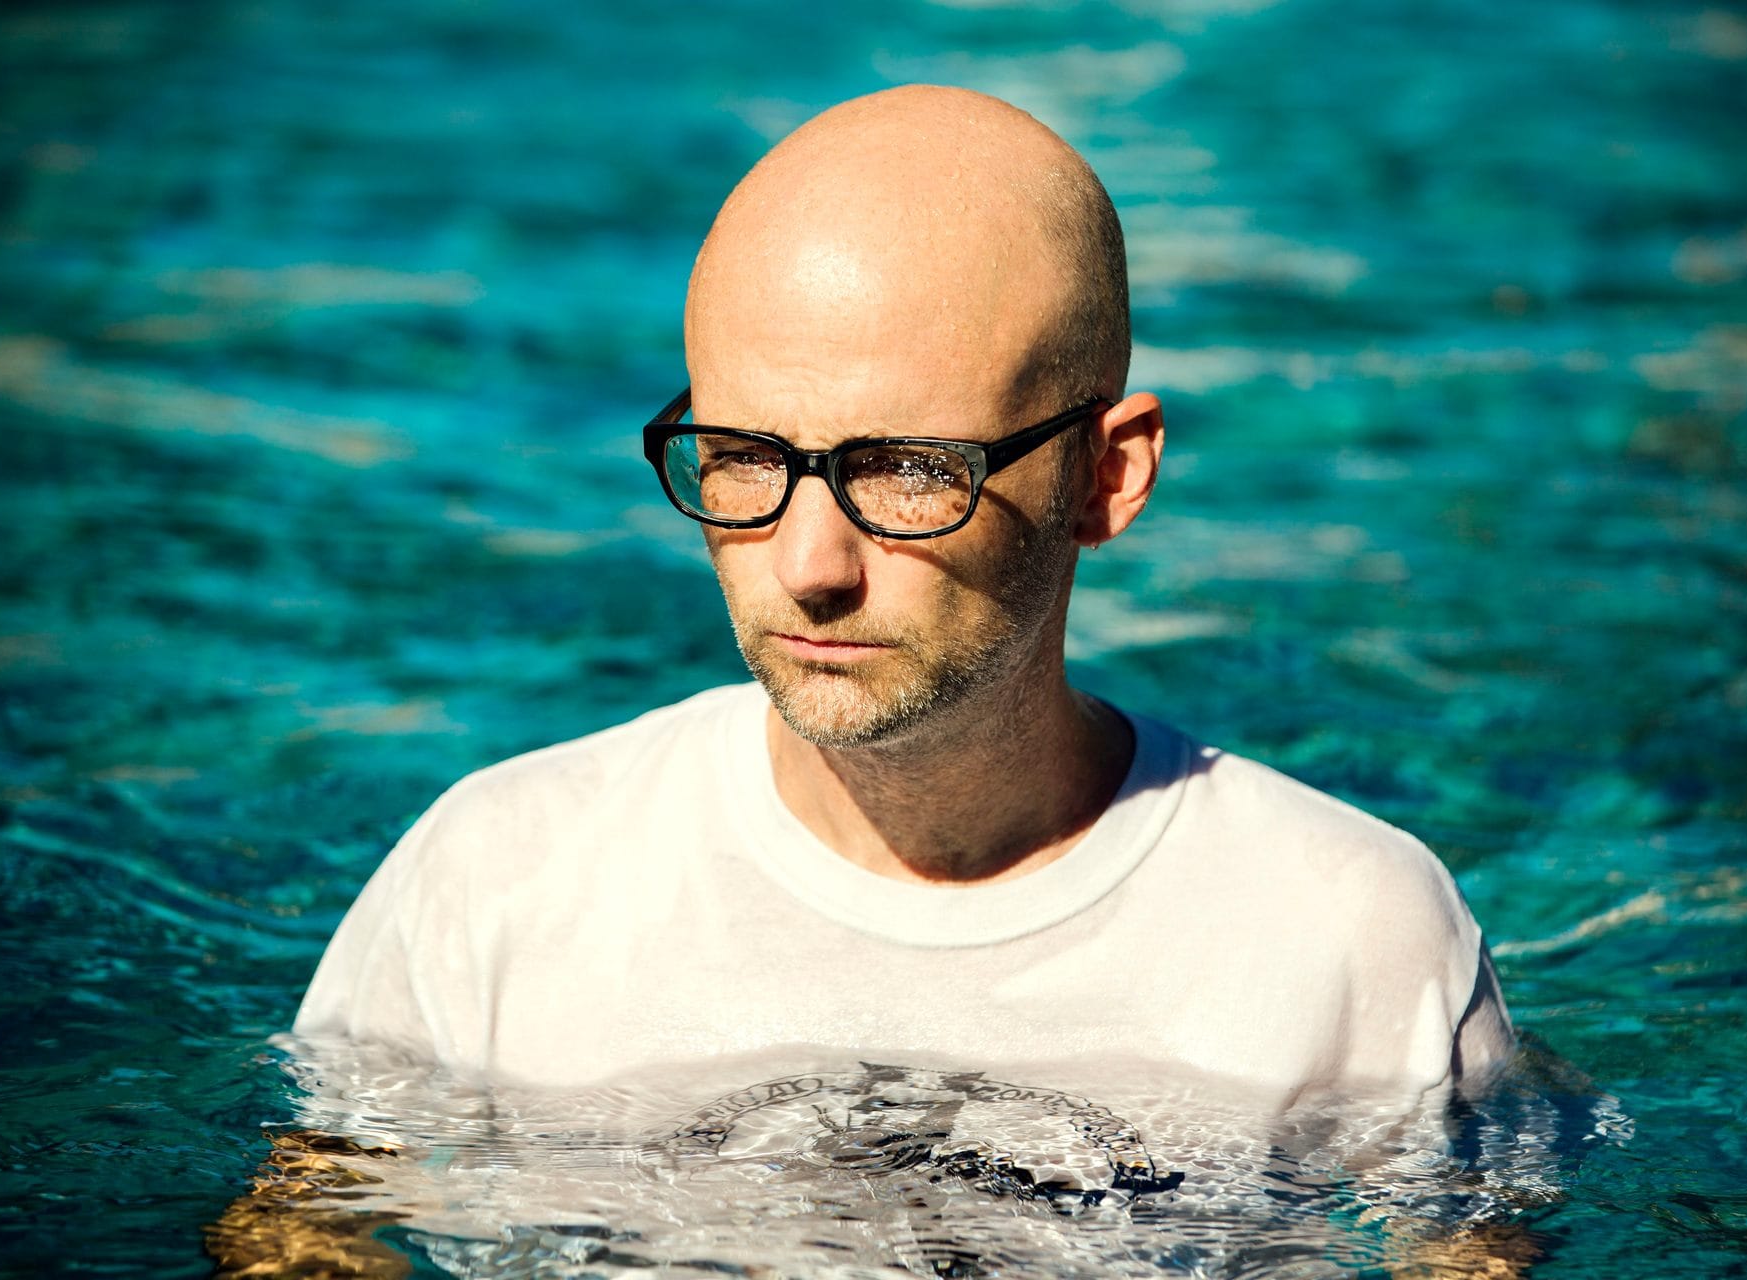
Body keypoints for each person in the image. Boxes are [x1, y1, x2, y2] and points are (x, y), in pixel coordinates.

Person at [294, 84, 1514, 1107]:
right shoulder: (493, 886)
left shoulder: (1350, 950)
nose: (809, 565)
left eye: (909, 469)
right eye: (743, 456)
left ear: (1106, 476)